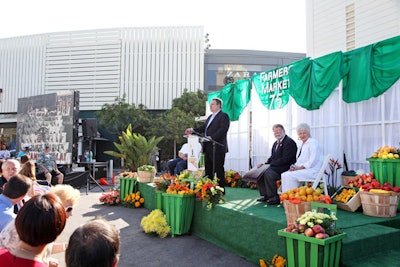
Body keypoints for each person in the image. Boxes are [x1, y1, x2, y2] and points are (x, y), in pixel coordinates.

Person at [0, 184, 80, 265]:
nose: (71, 214)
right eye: (69, 209)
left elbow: (42, 247)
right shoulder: (40, 223)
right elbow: (31, 251)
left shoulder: (36, 218)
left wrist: (67, 246)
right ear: (57, 206)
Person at [185, 98, 230, 189]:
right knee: (209, 169)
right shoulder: (210, 117)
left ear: (218, 105)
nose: (210, 106)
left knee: (218, 169)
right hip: (208, 146)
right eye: (210, 104)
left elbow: (223, 129)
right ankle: (209, 189)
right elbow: (203, 128)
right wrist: (193, 130)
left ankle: (221, 190)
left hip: (217, 147)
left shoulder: (223, 116)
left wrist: (212, 137)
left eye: (212, 104)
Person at [256, 124, 297, 205]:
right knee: (260, 171)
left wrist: (271, 164)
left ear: (283, 131)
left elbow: (286, 159)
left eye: (278, 131)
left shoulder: (289, 142)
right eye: (274, 132)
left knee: (268, 173)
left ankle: (274, 198)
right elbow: (272, 157)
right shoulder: (275, 143)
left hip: (286, 167)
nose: (276, 133)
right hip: (276, 167)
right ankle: (265, 195)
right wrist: (264, 164)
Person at [281, 123, 323, 192]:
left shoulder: (313, 143)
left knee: (289, 176)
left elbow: (313, 161)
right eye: (300, 134)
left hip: (312, 170)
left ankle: (293, 198)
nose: (302, 135)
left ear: (308, 133)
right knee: (284, 174)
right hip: (303, 169)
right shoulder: (301, 144)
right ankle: (286, 198)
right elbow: (300, 160)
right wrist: (294, 167)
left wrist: (299, 168)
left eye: (304, 133)